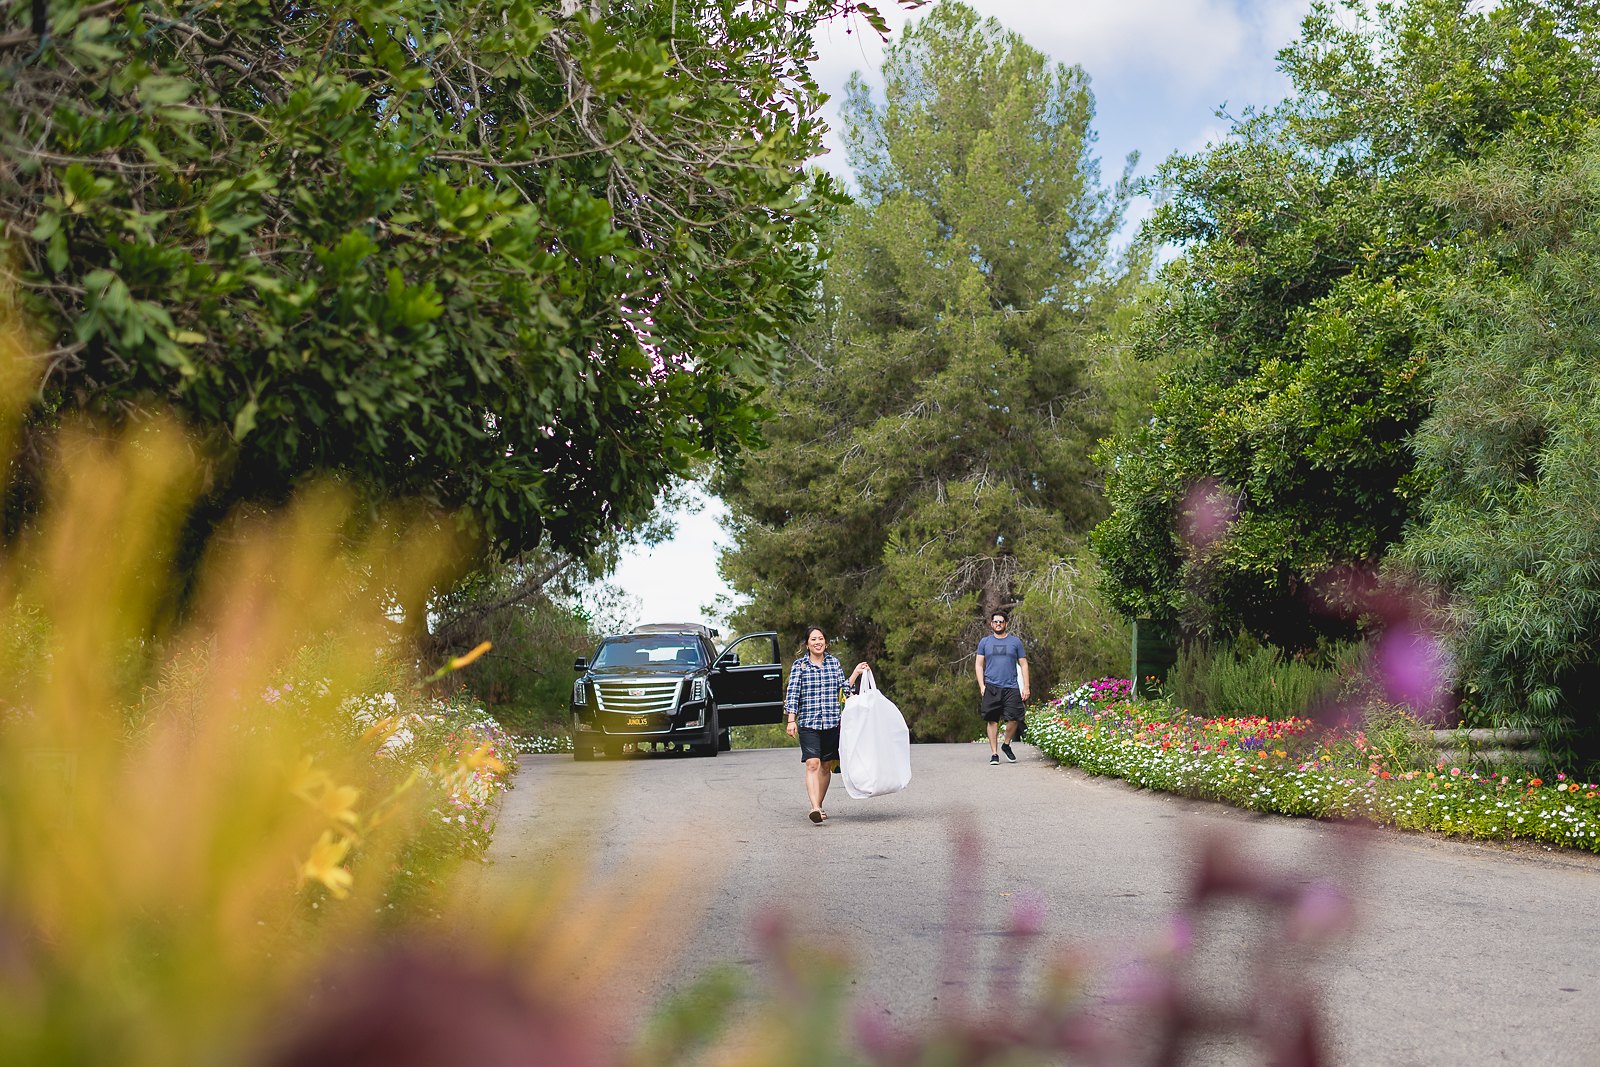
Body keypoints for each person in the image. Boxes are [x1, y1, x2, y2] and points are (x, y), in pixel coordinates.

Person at [784, 626, 869, 824]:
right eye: (813, 639)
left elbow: (845, 690)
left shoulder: (834, 663)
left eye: (821, 639)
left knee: (825, 766)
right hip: (808, 722)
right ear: (807, 644)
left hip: (831, 722)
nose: (817, 642)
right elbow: (793, 694)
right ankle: (814, 807)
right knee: (812, 763)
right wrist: (791, 720)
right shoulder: (800, 666)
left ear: (826, 642)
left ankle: (818, 806)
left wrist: (856, 673)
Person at [975, 609, 1029, 765]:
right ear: (991, 624)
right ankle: (994, 753)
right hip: (991, 686)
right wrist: (982, 685)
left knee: (1015, 718)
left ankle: (1006, 744)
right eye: (995, 622)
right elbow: (979, 665)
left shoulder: (1015, 642)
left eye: (1001, 621)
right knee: (992, 720)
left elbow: (1024, 664)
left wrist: (1026, 687)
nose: (998, 624)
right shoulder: (985, 642)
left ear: (1006, 623)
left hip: (1011, 686)